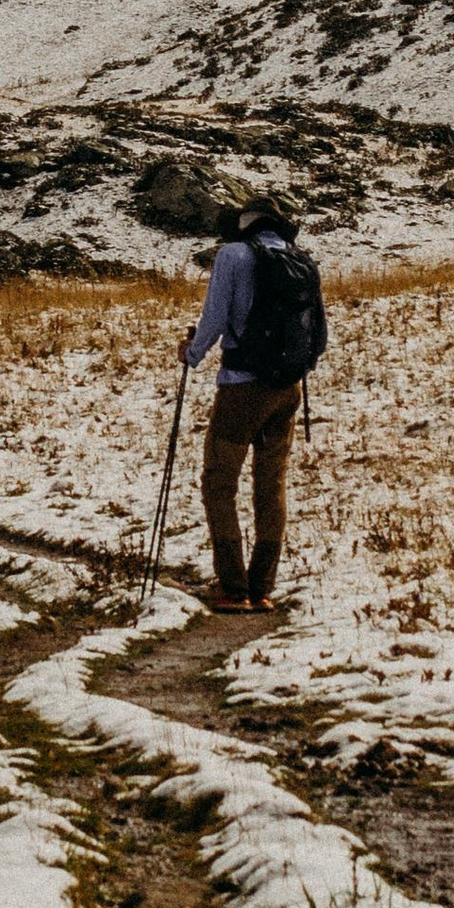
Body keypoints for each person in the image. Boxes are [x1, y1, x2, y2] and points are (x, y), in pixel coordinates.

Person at [182, 195, 326, 610]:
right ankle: (262, 587)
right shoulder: (301, 260)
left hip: (241, 389)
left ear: (244, 224)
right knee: (271, 483)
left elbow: (215, 317)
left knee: (219, 483)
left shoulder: (232, 255)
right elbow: (320, 336)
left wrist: (192, 353)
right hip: (287, 391)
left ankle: (233, 587)